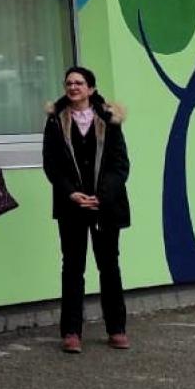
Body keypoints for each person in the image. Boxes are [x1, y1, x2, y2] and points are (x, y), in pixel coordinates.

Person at [41, 65, 131, 354]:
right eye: (69, 83)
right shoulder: (55, 120)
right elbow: (51, 164)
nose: (73, 87)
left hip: (106, 206)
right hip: (72, 206)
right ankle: (71, 332)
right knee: (72, 267)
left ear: (90, 89)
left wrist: (100, 196)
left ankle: (116, 329)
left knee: (109, 266)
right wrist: (71, 193)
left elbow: (120, 165)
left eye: (79, 83)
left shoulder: (109, 118)